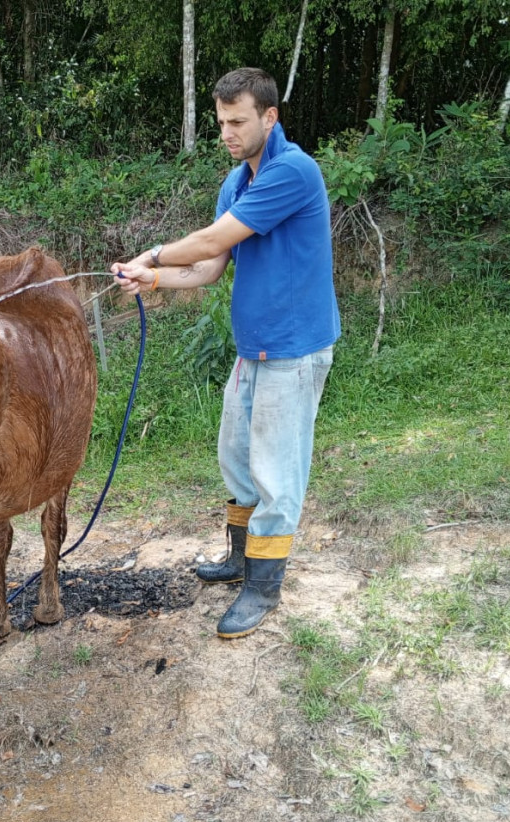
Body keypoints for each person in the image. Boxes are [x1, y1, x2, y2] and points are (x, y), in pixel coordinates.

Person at [111, 67, 339, 639]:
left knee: (276, 471)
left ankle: (263, 588)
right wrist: (154, 280)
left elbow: (210, 242)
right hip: (254, 348)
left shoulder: (293, 172)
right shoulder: (236, 183)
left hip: (295, 349)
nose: (227, 133)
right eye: (220, 123)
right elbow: (211, 267)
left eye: (237, 122)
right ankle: (241, 559)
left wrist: (153, 254)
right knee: (236, 457)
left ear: (270, 117)